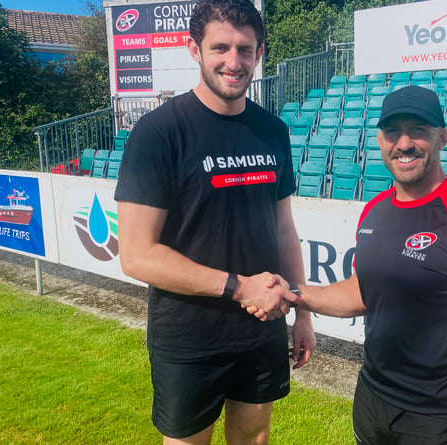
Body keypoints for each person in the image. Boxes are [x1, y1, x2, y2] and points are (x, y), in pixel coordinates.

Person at [270, 85, 447, 444]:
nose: (404, 143)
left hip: (437, 420)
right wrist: (294, 294)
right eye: (393, 131)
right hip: (372, 401)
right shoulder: (375, 211)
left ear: (443, 137)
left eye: (418, 130)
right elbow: (361, 293)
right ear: (379, 139)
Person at [113, 0, 316, 443]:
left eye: (245, 49)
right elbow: (136, 255)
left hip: (262, 324)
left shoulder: (272, 130)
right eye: (220, 47)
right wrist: (240, 286)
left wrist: (301, 312)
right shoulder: (157, 133)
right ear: (194, 49)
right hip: (189, 332)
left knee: (254, 435)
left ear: (259, 53)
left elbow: (283, 228)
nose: (233, 61)